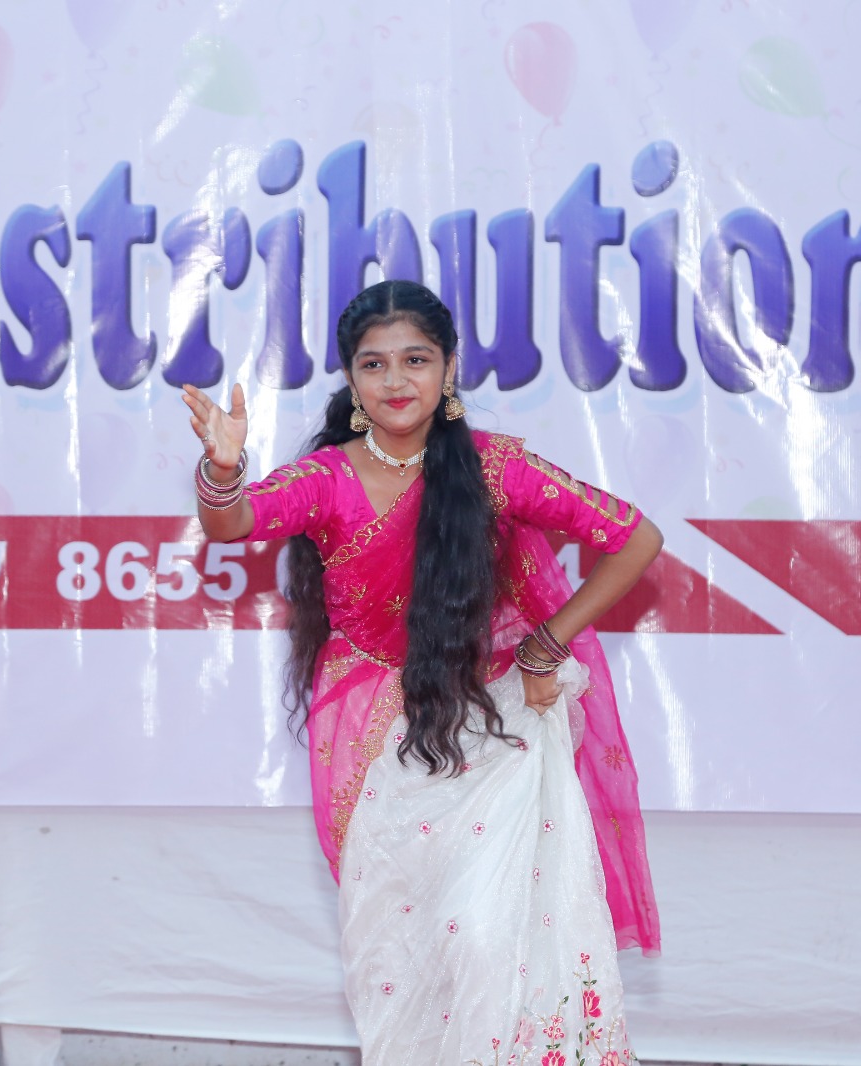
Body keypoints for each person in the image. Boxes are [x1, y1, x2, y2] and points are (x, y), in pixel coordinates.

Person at [182, 280, 662, 1064]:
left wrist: (547, 645)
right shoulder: (328, 479)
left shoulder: (496, 468)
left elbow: (636, 538)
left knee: (486, 932)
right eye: (374, 364)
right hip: (376, 729)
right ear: (351, 379)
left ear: (448, 369)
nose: (396, 380)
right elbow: (235, 523)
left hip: (495, 721)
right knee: (403, 945)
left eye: (416, 360)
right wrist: (223, 467)